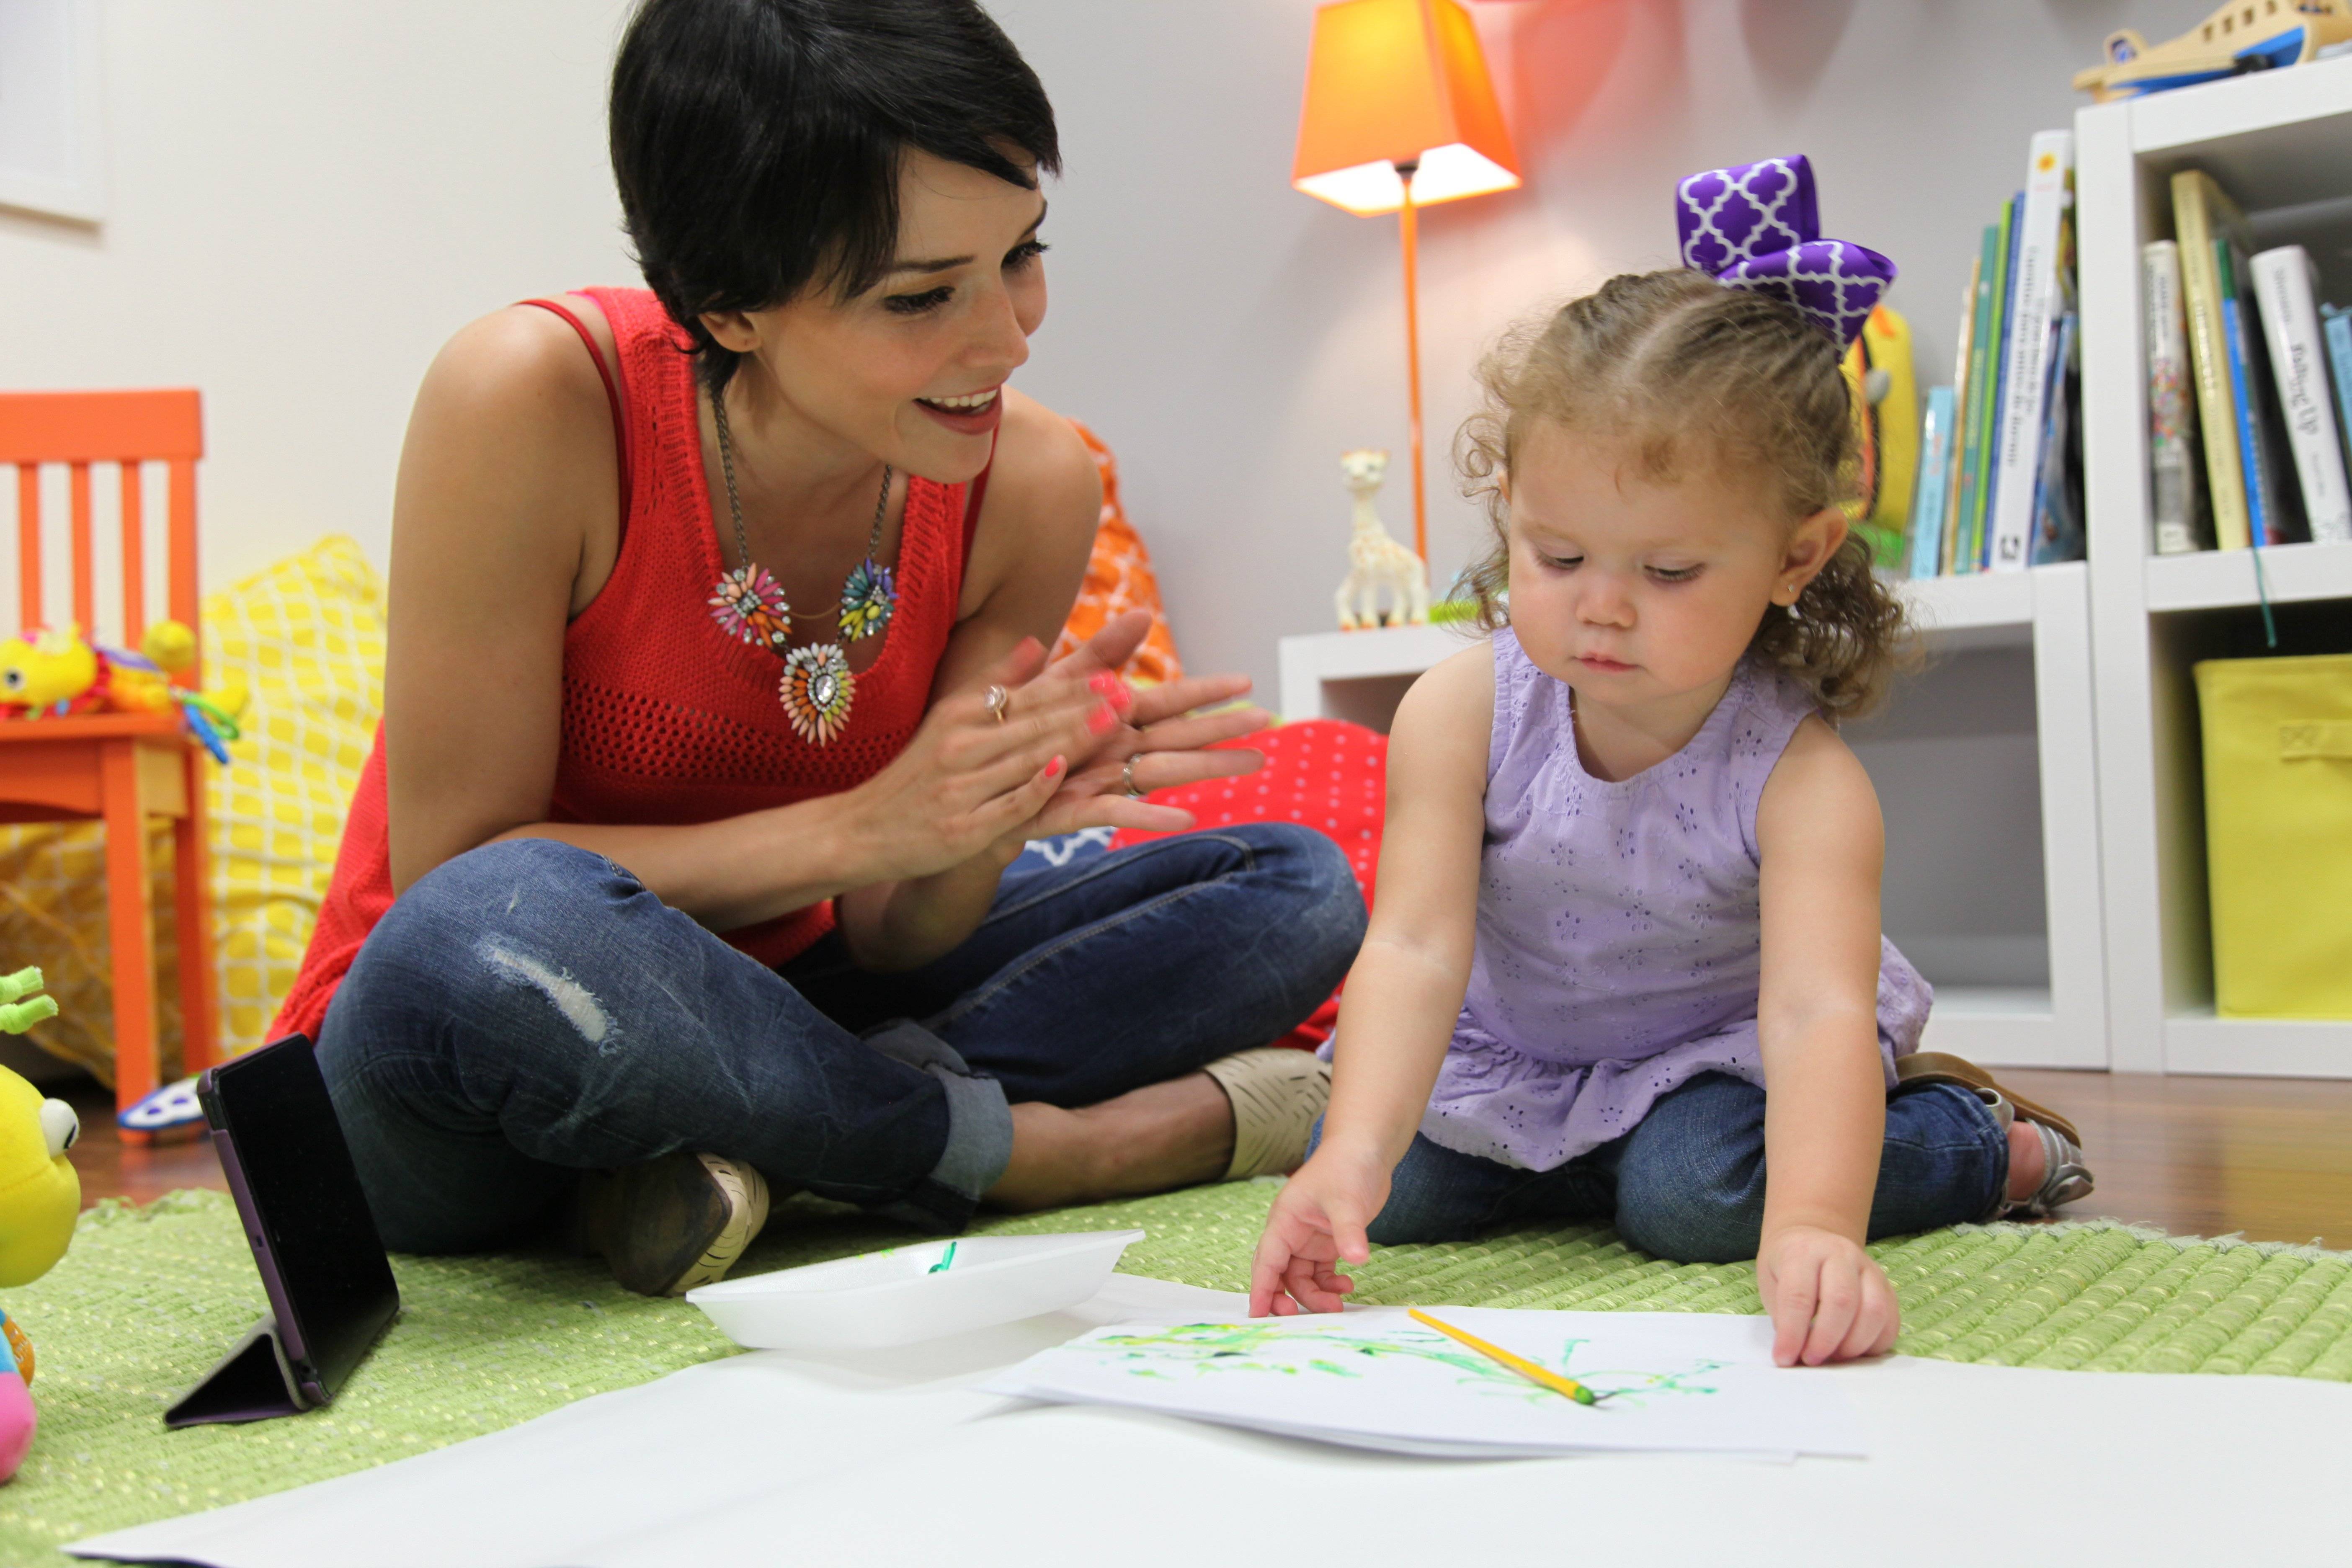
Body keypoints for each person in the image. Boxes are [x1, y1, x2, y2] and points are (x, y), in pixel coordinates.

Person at [281, 0, 1364, 1297]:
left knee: (1294, 885)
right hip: (476, 1031)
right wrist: (860, 829)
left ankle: (745, 1157)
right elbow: (452, 869)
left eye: (1022, 255)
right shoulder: (531, 398)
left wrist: (977, 821)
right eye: (922, 297)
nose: (1008, 337)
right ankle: (1025, 1152)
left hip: (804, 998)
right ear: (728, 307)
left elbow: (897, 933)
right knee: (492, 922)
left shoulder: (1032, 483)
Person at [1248, 209, 2094, 1364]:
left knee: (1693, 1198)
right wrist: (1350, 1155)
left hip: (1713, 1066)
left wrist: (1814, 1230)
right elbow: (1414, 950)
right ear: (1509, 507)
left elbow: (1814, 1015)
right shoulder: (1460, 711)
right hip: (1512, 1057)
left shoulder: (1801, 778)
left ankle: (1977, 1141)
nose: (1601, 606)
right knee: (1384, 1193)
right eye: (1558, 556)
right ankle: (1568, 1169)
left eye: (1669, 570)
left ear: (1796, 557)